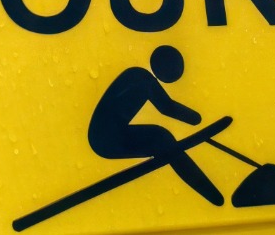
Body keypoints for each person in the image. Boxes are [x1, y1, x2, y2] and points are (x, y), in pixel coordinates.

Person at [88, 46, 224, 206]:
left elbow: (166, 107)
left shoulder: (139, 75)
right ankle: (210, 193)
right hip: (106, 139)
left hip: (107, 136)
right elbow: (167, 107)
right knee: (161, 138)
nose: (177, 74)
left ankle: (211, 194)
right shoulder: (141, 78)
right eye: (175, 68)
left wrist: (196, 123)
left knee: (161, 137)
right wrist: (196, 119)